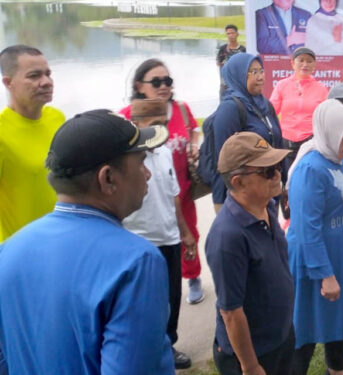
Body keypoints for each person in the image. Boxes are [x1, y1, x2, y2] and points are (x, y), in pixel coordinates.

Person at [0, 109, 173, 374]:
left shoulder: (8, 252)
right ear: (108, 178)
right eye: (140, 162)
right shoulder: (136, 262)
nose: (147, 174)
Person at [206, 132, 295, 375]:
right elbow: (231, 312)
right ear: (238, 182)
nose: (278, 174)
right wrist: (250, 366)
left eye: (277, 166)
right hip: (255, 352)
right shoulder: (228, 236)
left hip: (280, 336)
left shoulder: (266, 205)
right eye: (267, 171)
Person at [119, 58, 204, 305]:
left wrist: (194, 145)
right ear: (139, 85)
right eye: (156, 81)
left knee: (189, 234)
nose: (163, 86)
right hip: (145, 195)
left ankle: (192, 276)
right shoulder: (128, 116)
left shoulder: (181, 109)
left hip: (181, 189)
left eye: (167, 81)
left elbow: (194, 131)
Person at [286, 99, 343, 375]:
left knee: (339, 320)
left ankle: (337, 368)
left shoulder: (339, 159)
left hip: (341, 255)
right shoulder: (311, 169)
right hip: (315, 262)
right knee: (305, 327)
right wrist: (325, 275)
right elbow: (307, 229)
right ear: (330, 132)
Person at [122, 99, 195, 369]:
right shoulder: (127, 159)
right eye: (153, 125)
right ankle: (143, 354)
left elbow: (174, 195)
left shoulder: (164, 152)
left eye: (163, 124)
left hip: (170, 238)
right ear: (137, 124)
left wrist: (185, 233)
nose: (159, 131)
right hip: (139, 242)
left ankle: (169, 345)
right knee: (141, 304)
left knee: (172, 299)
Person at [0, 45, 64, 241]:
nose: (46, 82)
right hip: (16, 250)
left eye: (48, 74)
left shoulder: (57, 119)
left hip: (60, 241)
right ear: (8, 83)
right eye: (34, 76)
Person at [211, 53, 284, 210]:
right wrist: (221, 203)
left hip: (268, 191)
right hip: (245, 198)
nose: (260, 77)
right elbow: (223, 161)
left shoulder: (265, 105)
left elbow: (278, 144)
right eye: (253, 72)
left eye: (261, 71)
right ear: (238, 74)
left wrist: (283, 184)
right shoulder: (230, 109)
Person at [270, 47, 328, 160]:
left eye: (309, 61)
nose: (305, 64)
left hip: (311, 142)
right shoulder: (282, 85)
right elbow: (271, 112)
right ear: (292, 63)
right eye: (301, 60)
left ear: (314, 65)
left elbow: (325, 117)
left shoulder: (321, 88)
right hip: (286, 142)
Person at [217, 24, 247, 97]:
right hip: (225, 85)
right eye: (228, 33)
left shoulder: (243, 50)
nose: (230, 35)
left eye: (232, 33)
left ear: (237, 34)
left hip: (239, 85)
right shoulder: (222, 49)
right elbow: (219, 64)